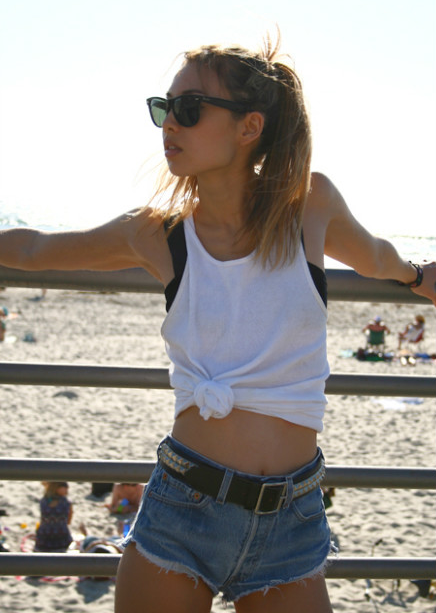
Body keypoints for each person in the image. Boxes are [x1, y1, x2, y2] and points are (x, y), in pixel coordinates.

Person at [0, 34, 435, 613]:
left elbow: (375, 256)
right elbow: (36, 250)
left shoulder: (309, 203)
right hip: (183, 507)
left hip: (292, 517)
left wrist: (417, 275)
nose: (168, 123)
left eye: (188, 108)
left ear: (249, 126)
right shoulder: (158, 233)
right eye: (164, 108)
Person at [34, 481, 73, 552]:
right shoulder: (66, 502)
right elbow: (68, 521)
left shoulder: (44, 501)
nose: (67, 488)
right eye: (65, 486)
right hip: (62, 539)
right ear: (56, 487)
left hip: (43, 538)